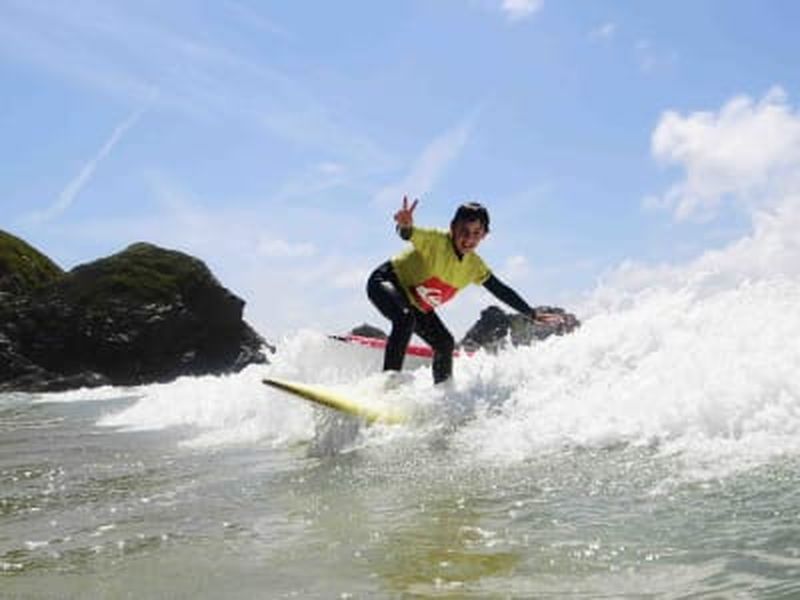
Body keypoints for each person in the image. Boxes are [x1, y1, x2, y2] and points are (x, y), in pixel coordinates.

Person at [367, 196, 567, 385]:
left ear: (484, 235)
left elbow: (500, 289)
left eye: (476, 233)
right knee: (405, 319)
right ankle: (387, 385)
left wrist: (530, 312)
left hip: (416, 304)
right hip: (385, 281)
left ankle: (443, 395)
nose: (469, 238)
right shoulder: (436, 241)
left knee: (445, 343)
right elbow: (408, 233)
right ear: (452, 228)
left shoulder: (474, 266)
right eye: (464, 231)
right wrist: (405, 225)